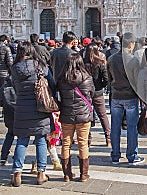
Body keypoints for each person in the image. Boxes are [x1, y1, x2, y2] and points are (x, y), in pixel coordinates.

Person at [10, 42, 56, 187]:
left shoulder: (15, 68)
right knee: (41, 140)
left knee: (22, 141)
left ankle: (17, 173)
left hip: (22, 107)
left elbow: (15, 88)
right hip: (39, 108)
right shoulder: (40, 66)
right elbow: (52, 84)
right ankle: (41, 173)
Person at [107, 33, 145, 165]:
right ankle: (132, 156)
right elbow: (137, 81)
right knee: (131, 127)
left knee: (115, 127)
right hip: (130, 97)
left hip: (116, 96)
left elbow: (109, 78)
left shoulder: (111, 59)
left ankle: (115, 156)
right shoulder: (134, 60)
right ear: (130, 44)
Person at [57, 53, 95, 182]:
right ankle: (83, 174)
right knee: (83, 143)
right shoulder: (87, 77)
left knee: (66, 143)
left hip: (67, 114)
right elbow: (92, 94)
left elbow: (59, 96)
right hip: (83, 115)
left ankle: (67, 174)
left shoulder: (62, 78)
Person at [83, 43, 111, 147]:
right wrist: (100, 86)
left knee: (87, 116)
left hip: (85, 93)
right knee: (103, 115)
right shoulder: (100, 63)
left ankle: (88, 139)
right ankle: (108, 138)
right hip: (98, 92)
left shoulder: (82, 63)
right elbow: (106, 78)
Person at [0, 77, 16, 165]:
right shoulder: (21, 84)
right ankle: (17, 156)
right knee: (22, 138)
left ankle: (3, 156)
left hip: (9, 115)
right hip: (21, 113)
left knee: (10, 135)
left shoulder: (4, 87)